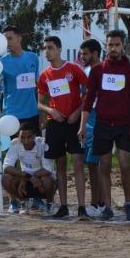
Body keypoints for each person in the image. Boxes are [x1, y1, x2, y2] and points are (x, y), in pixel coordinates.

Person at [79, 29, 130, 220]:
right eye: (110, 45)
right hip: (103, 124)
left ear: (123, 46)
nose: (113, 48)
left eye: (117, 45)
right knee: (104, 165)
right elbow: (88, 100)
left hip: (124, 124)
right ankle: (107, 206)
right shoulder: (98, 70)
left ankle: (128, 202)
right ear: (106, 46)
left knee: (124, 164)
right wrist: (82, 125)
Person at [37, 36, 89, 219]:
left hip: (74, 123)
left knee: (77, 164)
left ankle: (82, 207)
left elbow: (89, 93)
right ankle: (64, 206)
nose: (47, 51)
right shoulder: (44, 75)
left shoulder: (74, 69)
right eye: (45, 48)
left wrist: (77, 112)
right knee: (60, 166)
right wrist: (51, 110)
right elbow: (40, 103)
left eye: (50, 47)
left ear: (59, 49)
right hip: (55, 124)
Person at [76, 39, 105, 216]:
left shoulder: (103, 70)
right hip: (88, 119)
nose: (82, 56)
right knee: (91, 163)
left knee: (98, 163)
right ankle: (97, 201)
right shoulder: (85, 71)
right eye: (81, 53)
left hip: (100, 119)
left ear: (95, 53)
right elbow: (84, 98)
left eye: (85, 53)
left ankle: (98, 203)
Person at [2, 126, 56, 213]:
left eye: (29, 137)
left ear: (34, 136)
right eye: (22, 137)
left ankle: (49, 203)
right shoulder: (15, 143)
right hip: (26, 180)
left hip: (42, 182)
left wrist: (34, 176)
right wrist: (26, 177)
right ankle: (22, 202)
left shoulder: (43, 144)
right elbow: (6, 167)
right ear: (18, 136)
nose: (26, 141)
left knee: (47, 180)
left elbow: (48, 169)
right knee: (5, 178)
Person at [0, 25, 42, 133]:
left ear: (19, 38)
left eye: (9, 38)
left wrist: (41, 111)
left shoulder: (33, 57)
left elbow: (37, 86)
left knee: (34, 148)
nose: (7, 42)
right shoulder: (1, 62)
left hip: (33, 113)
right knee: (15, 148)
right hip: (12, 115)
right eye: (4, 40)